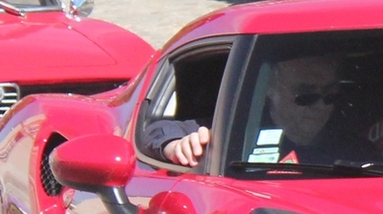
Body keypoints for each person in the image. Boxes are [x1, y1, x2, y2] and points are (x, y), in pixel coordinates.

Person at [144, 52, 358, 170]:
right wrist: (174, 147)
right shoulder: (239, 131)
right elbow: (157, 130)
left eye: (331, 94)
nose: (321, 105)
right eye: (306, 95)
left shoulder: (354, 152)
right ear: (271, 88)